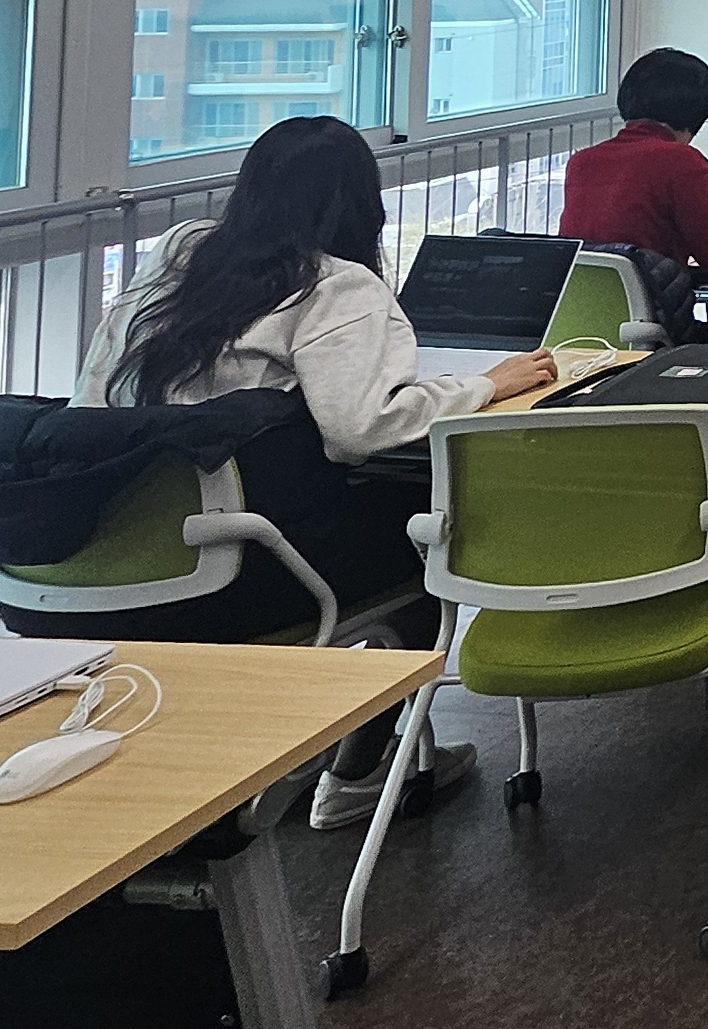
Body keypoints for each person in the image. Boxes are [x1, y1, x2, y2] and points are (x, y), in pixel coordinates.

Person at [76, 115, 552, 826]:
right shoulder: (336, 285)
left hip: (99, 557)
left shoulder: (181, 253)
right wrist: (485, 384)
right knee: (424, 549)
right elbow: (361, 428)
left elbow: (92, 401)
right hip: (236, 570)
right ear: (362, 203)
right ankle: (354, 774)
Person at [557, 46, 708, 313]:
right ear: (695, 113)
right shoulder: (681, 160)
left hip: (581, 314)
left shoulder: (582, 162)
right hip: (651, 315)